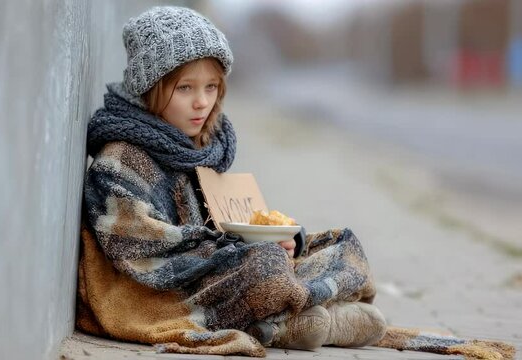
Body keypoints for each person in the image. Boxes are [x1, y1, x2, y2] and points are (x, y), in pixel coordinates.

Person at [76, 6, 515, 359]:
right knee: (264, 268)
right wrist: (244, 251)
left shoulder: (198, 149)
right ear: (150, 87)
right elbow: (141, 247)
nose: (202, 102)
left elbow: (228, 220)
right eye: (186, 88)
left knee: (341, 243)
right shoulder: (122, 157)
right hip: (161, 287)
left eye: (211, 87)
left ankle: (302, 310)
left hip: (219, 266)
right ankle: (300, 319)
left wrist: (290, 243)